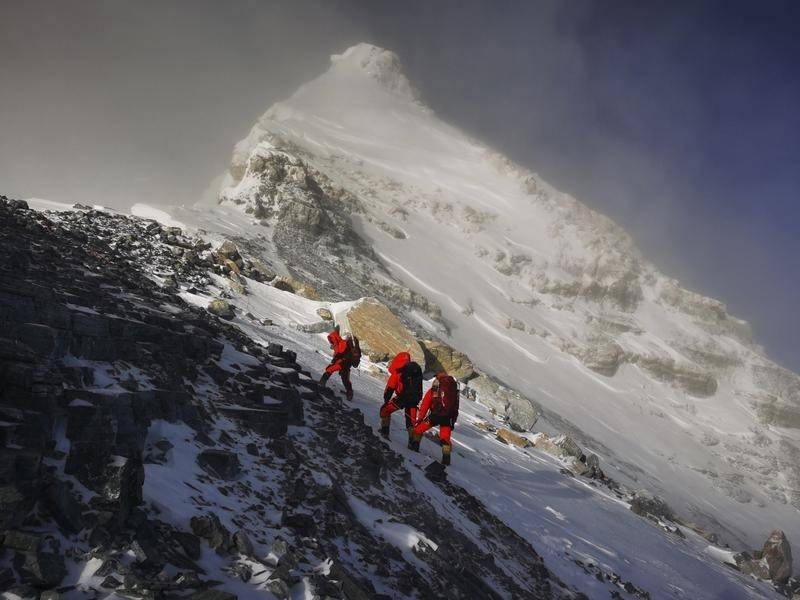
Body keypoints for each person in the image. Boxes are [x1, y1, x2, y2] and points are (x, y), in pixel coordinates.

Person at [410, 372, 460, 466]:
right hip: (448, 418)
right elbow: (455, 409)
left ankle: (414, 448)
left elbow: (425, 405)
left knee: (417, 430)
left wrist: (420, 419)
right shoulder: (454, 392)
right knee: (445, 438)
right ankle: (446, 460)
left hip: (435, 416)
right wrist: (452, 422)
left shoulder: (434, 390)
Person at [379, 351, 423, 443]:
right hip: (413, 401)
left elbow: (389, 389)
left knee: (385, 411)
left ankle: (384, 431)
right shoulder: (415, 371)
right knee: (411, 423)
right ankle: (413, 444)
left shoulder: (398, 372)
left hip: (401, 399)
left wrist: (386, 401)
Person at [318, 327, 354, 401]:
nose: (332, 343)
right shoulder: (340, 340)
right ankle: (349, 392)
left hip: (343, 361)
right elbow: (338, 350)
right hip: (343, 361)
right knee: (344, 376)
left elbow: (342, 352)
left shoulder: (344, 340)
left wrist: (337, 357)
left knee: (334, 371)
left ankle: (322, 382)